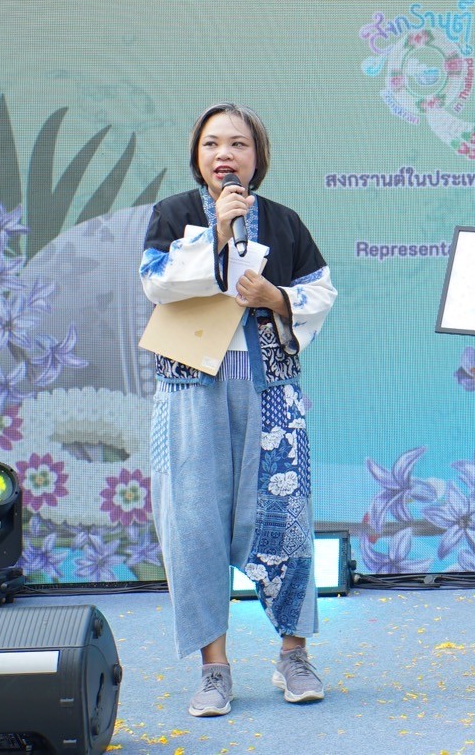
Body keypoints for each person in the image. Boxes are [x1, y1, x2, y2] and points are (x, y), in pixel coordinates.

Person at [139, 103, 337, 717]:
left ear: (258, 156)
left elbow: (321, 290)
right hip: (190, 391)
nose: (225, 154)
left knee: (283, 517)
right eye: (212, 144)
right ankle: (214, 668)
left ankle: (293, 654)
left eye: (238, 144)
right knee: (193, 523)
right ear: (197, 156)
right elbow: (156, 281)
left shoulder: (283, 220)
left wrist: (276, 296)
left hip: (269, 391)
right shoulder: (173, 213)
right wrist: (219, 237)